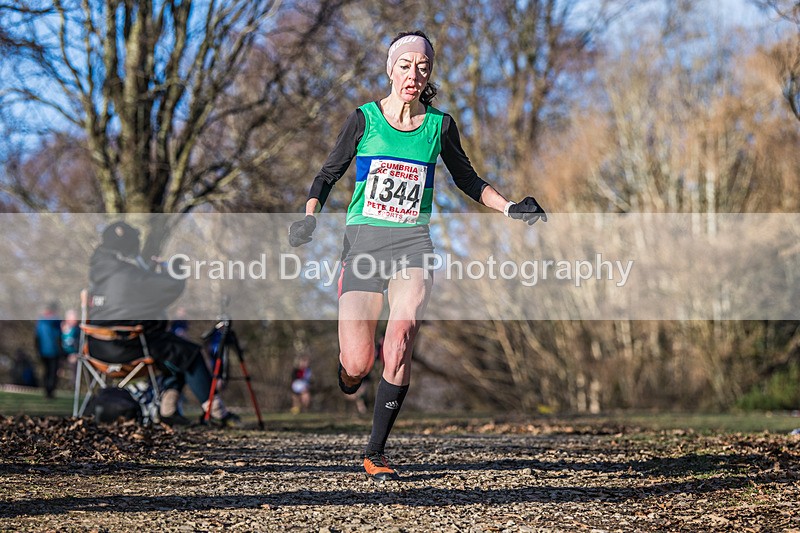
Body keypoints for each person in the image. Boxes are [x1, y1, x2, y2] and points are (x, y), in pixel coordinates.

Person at [288, 31, 546, 481]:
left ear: (430, 73)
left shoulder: (438, 127)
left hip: (412, 243)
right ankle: (350, 374)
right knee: (358, 363)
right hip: (363, 245)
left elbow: (468, 179)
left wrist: (510, 208)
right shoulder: (363, 120)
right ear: (391, 69)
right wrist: (310, 217)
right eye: (405, 64)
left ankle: (376, 451)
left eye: (423, 66)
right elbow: (327, 175)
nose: (414, 73)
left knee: (402, 334)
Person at [87, 221, 238, 426]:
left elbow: (135, 292)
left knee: (174, 350)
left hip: (96, 350)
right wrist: (171, 270)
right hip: (126, 349)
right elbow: (167, 289)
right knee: (189, 354)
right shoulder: (127, 274)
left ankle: (169, 409)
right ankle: (216, 412)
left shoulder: (99, 273)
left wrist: (147, 273)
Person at [35, 301, 63, 399]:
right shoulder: (56, 320)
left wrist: (37, 350)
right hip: (54, 351)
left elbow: (37, 337)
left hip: (43, 351)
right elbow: (60, 336)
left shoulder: (41, 321)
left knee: (47, 372)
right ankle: (50, 391)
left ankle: (47, 391)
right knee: (52, 372)